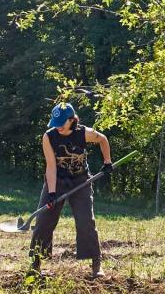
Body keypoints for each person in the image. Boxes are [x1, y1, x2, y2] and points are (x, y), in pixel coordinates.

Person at [29, 103, 114, 277]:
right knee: (43, 220)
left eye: (62, 122)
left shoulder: (84, 133)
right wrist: (52, 193)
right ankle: (36, 263)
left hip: (80, 180)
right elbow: (51, 166)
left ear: (71, 120)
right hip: (57, 181)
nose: (58, 126)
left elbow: (103, 139)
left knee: (85, 221)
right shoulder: (49, 137)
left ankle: (96, 263)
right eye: (55, 122)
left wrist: (107, 162)